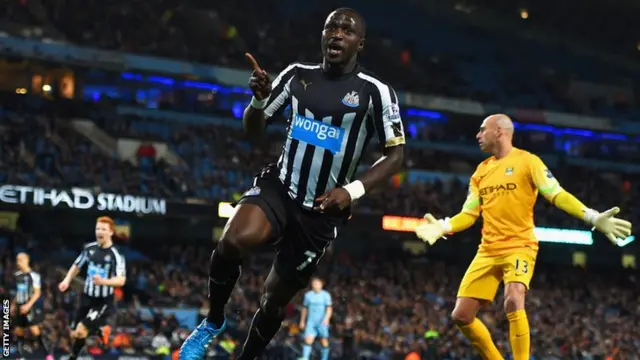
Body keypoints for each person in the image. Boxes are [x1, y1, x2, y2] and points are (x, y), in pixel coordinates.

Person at [179, 7, 405, 360]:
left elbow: (396, 156)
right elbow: (253, 131)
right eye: (331, 27)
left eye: (346, 30)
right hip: (281, 188)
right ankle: (213, 320)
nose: (336, 34)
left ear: (360, 43)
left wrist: (350, 191)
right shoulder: (297, 76)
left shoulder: (375, 92)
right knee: (230, 242)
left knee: (273, 301)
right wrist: (258, 99)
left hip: (320, 212)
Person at [414, 114, 632, 360]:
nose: (477, 135)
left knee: (513, 299)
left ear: (499, 131)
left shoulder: (529, 162)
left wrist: (592, 217)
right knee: (461, 316)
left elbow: (557, 194)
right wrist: (444, 226)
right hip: (487, 250)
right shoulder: (480, 172)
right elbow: (469, 214)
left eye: (482, 130)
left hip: (520, 246)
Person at [58, 216, 127, 360]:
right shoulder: (89, 248)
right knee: (76, 333)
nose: (99, 232)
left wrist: (104, 282)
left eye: (103, 229)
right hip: (86, 297)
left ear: (111, 232)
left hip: (102, 300)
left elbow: (121, 280)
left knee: (82, 328)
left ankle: (73, 357)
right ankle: (100, 330)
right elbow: (77, 265)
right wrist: (67, 280)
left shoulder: (116, 254)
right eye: (97, 228)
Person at [11, 252, 53, 360]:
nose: (18, 262)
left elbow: (37, 292)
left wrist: (28, 305)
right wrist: (13, 304)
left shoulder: (34, 275)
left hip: (29, 306)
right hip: (20, 306)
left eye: (20, 260)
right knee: (18, 330)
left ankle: (47, 354)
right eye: (17, 260)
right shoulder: (18, 275)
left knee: (35, 331)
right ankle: (21, 356)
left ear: (26, 260)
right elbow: (19, 292)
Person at [299, 277, 333, 360]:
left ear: (321, 285)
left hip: (322, 322)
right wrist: (302, 321)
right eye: (314, 283)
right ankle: (305, 357)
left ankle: (324, 358)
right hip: (311, 322)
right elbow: (304, 309)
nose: (315, 285)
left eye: (317, 283)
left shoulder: (326, 295)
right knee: (308, 339)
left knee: (323, 341)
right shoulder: (308, 295)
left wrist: (327, 319)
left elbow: (329, 308)